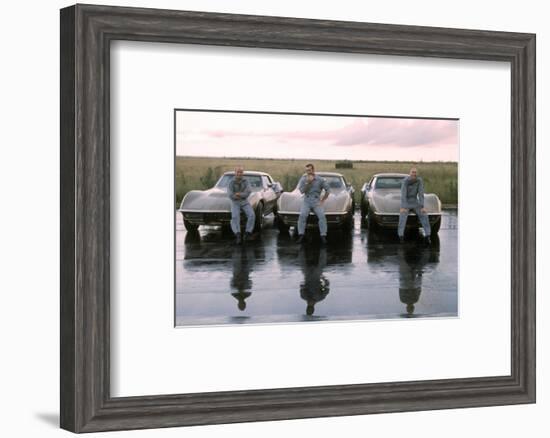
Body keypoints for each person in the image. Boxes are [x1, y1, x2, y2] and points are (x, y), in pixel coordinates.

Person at [296, 163, 330, 245]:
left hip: (316, 201)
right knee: (302, 215)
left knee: (322, 216)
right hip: (306, 200)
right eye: (307, 170)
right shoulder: (303, 179)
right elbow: (301, 191)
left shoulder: (320, 179)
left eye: (309, 170)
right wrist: (308, 183)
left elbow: (328, 190)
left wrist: (322, 200)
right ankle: (301, 235)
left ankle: (323, 236)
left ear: (313, 170)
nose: (308, 172)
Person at [398, 167, 431, 244]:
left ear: (417, 173)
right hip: (406, 201)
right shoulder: (405, 181)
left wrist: (422, 206)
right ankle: (401, 236)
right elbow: (403, 194)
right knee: (402, 216)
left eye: (415, 172)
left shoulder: (419, 181)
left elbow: (421, 193)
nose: (414, 174)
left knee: (424, 215)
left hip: (415, 202)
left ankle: (428, 236)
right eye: (412, 172)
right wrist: (403, 207)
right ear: (410, 173)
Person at [227, 166, 256, 244]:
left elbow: (248, 191)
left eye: (241, 172)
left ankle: (247, 233)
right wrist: (239, 195)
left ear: (242, 173)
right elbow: (230, 194)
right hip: (235, 202)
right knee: (235, 217)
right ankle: (238, 235)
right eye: (238, 172)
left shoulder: (246, 181)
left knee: (252, 215)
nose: (239, 173)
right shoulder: (231, 182)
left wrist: (239, 194)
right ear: (235, 173)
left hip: (244, 202)